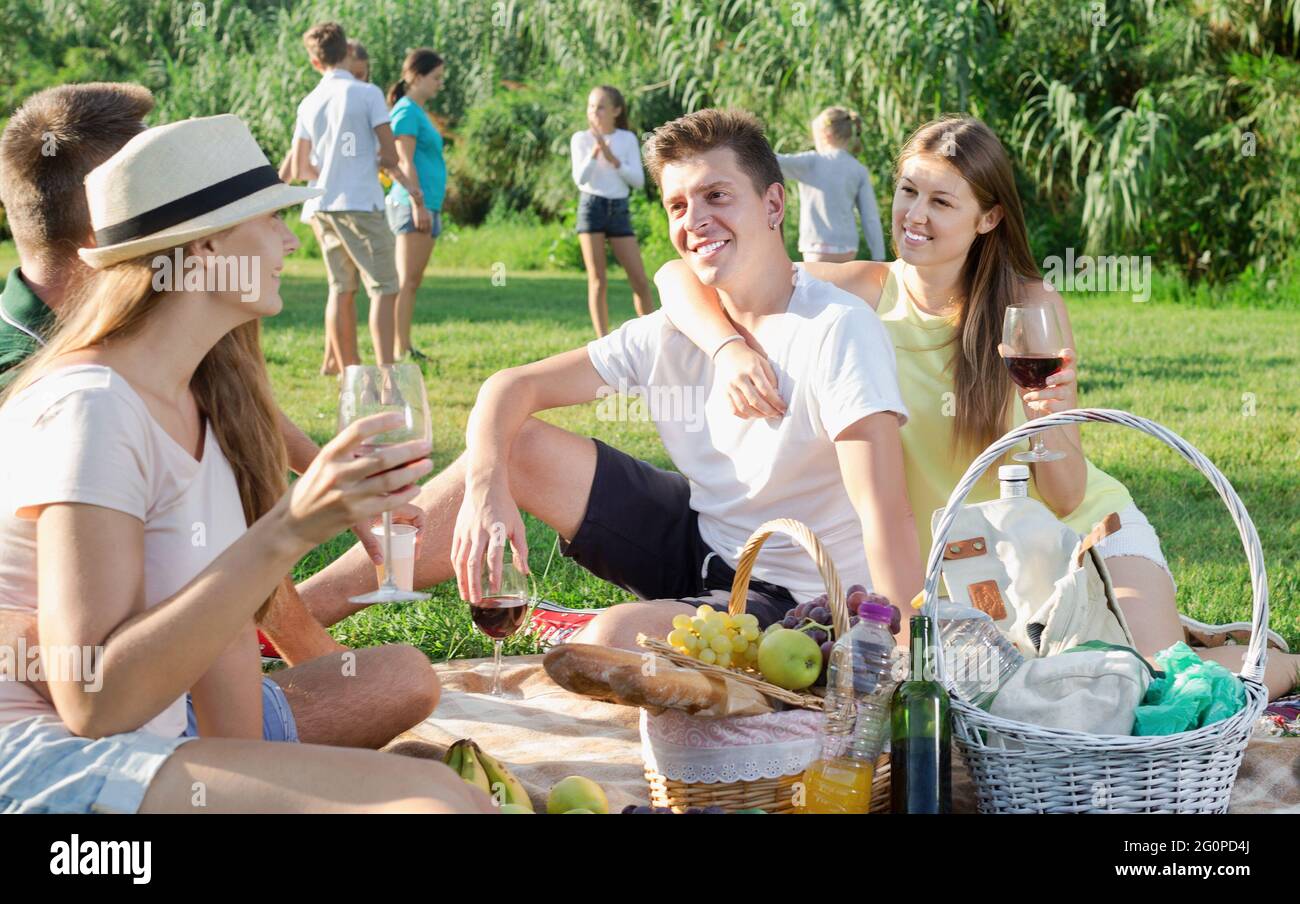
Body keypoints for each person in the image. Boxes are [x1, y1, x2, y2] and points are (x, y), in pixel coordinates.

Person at [654, 114, 1300, 699]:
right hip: (968, 573)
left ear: (987, 218)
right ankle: (1174, 636)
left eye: (942, 201)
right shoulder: (855, 293)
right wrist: (726, 352)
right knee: (1055, 706)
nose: (916, 215)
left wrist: (1050, 420)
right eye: (908, 191)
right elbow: (677, 275)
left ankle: (1275, 663)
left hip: (1080, 540)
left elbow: (1070, 496)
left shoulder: (1030, 310)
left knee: (1165, 692)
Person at [0, 114, 493, 813]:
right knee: (431, 806)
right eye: (270, 220)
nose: (290, 239)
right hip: (43, 762)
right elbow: (93, 703)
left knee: (441, 791)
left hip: (152, 747)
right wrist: (288, 528)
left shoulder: (198, 402)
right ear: (205, 248)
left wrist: (286, 787)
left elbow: (226, 648)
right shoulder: (94, 408)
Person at [301, 108, 922, 651]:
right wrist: (486, 489)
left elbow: (885, 513)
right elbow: (509, 387)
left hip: (795, 597)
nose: (695, 219)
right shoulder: (674, 330)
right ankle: (289, 617)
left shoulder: (836, 329)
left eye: (717, 196)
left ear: (774, 204)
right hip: (696, 537)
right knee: (512, 443)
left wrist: (892, 653)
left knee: (611, 645)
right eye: (679, 205)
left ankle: (607, 626)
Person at [291, 22, 423, 367]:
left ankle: (348, 373)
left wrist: (333, 170)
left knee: (340, 289)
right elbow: (391, 154)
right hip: (360, 203)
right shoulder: (367, 94)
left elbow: (302, 167)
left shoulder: (309, 102)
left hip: (321, 204)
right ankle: (385, 374)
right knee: (384, 288)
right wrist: (370, 163)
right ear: (348, 51)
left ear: (314, 60)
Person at [280, 38, 372, 376]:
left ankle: (334, 359)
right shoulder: (343, 103)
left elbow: (295, 163)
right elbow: (296, 165)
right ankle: (348, 363)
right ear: (345, 60)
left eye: (364, 75)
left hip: (322, 204)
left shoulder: (316, 102)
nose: (361, 80)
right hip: (338, 202)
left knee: (341, 287)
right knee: (343, 287)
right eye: (357, 72)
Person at [570, 85, 655, 338]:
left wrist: (613, 158)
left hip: (618, 209)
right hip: (591, 207)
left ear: (616, 111)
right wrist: (596, 154)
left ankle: (652, 336)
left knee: (639, 280)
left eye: (601, 106)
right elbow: (580, 179)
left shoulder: (627, 139)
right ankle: (602, 340)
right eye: (591, 106)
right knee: (598, 280)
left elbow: (638, 182)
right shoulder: (580, 139)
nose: (594, 112)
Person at [385, 48, 448, 363]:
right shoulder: (407, 111)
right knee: (405, 281)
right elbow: (403, 160)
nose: (440, 84)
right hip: (413, 205)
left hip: (427, 205)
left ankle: (404, 345)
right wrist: (417, 203)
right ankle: (400, 349)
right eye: (435, 78)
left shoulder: (418, 112)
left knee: (412, 281)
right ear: (416, 76)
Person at [776, 106, 885, 264]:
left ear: (826, 135)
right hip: (847, 249)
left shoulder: (811, 162)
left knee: (815, 288)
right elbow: (870, 217)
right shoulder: (858, 169)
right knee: (839, 289)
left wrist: (748, 143)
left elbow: (774, 162)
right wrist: (879, 256)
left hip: (817, 247)